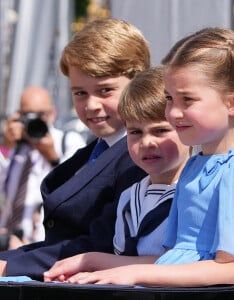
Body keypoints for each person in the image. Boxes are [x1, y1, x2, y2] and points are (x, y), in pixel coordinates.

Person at [55, 27, 234, 287]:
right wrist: (93, 262)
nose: (173, 112)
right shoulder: (196, 165)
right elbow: (174, 260)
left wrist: (133, 274)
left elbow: (230, 269)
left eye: (187, 100)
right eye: (170, 98)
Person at [0, 18, 150, 281]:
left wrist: (11, 266)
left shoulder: (143, 156)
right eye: (80, 93)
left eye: (105, 90)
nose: (91, 105)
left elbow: (101, 242)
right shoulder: (97, 150)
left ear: (139, 83)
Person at [43, 67, 191, 282]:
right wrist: (86, 265)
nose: (147, 142)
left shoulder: (197, 192)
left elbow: (191, 263)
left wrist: (94, 263)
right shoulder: (130, 197)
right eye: (135, 132)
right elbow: (123, 258)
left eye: (160, 130)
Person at [0, 86, 86, 248]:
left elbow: (78, 191)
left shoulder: (67, 141)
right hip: (6, 241)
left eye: (40, 115)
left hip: (42, 244)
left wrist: (53, 158)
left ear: (52, 114)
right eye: (26, 115)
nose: (33, 121)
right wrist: (5, 148)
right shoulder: (13, 145)